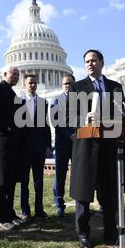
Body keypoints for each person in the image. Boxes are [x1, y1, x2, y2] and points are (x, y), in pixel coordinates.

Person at [67, 49, 125, 248]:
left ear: (101, 62)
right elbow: (69, 117)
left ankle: (110, 230)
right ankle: (83, 233)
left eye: (93, 60)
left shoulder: (115, 87)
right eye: (86, 62)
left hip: (109, 147)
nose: (90, 64)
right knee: (83, 194)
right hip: (86, 147)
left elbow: (121, 115)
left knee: (108, 192)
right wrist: (84, 121)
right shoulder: (76, 87)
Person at [0, 66, 27, 231]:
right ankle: (1, 216)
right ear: (4, 75)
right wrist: (7, 128)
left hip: (12, 142)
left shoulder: (12, 93)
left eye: (18, 75)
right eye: (14, 74)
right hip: (2, 140)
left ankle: (10, 213)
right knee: (2, 180)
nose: (16, 77)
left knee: (11, 179)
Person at [20, 74, 52, 220]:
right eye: (30, 83)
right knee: (24, 181)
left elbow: (46, 125)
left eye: (34, 83)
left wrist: (47, 145)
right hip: (25, 147)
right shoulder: (19, 102)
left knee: (38, 181)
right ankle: (25, 211)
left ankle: (39, 209)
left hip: (39, 146)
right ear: (25, 84)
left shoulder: (43, 102)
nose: (32, 85)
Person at [50, 74, 75, 218]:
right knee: (60, 175)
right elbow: (56, 122)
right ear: (62, 85)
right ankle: (60, 205)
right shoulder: (56, 100)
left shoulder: (81, 100)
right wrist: (70, 134)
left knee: (78, 174)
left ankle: (80, 202)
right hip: (62, 143)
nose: (68, 86)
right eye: (65, 84)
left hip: (78, 142)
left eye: (70, 83)